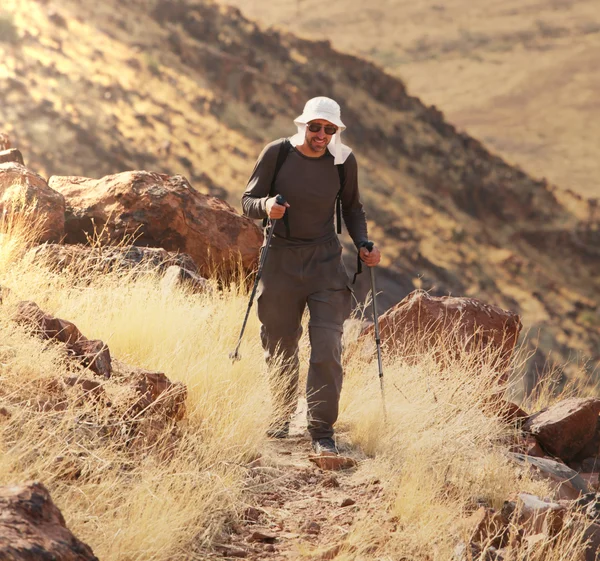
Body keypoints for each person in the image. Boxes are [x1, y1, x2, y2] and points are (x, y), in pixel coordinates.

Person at [241, 96, 381, 455]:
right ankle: (281, 415)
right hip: (281, 261)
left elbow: (352, 208)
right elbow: (248, 200)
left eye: (329, 129)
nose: (321, 134)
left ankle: (321, 431)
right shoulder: (278, 153)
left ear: (336, 131)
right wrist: (266, 206)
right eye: (315, 127)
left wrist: (363, 241)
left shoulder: (343, 161)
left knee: (327, 347)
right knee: (279, 344)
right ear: (303, 124)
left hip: (325, 263)